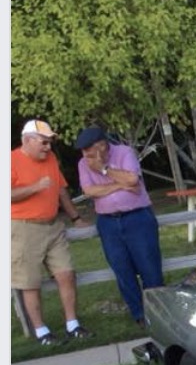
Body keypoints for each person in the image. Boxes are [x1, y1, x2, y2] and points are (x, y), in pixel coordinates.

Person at [11, 119, 93, 346]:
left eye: (49, 143)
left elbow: (61, 190)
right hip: (23, 227)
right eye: (44, 142)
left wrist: (75, 218)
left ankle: (73, 325)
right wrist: (35, 187)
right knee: (30, 282)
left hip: (53, 225)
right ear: (28, 140)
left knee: (66, 274)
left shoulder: (51, 159)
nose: (48, 147)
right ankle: (41, 332)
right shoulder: (10, 160)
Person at [75, 126, 164, 326]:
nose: (86, 155)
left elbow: (132, 179)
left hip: (137, 217)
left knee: (149, 266)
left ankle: (157, 311)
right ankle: (139, 314)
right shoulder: (83, 163)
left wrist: (104, 169)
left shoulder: (124, 153)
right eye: (83, 151)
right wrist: (120, 184)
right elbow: (89, 191)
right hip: (107, 222)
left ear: (101, 145)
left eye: (88, 149)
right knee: (122, 269)